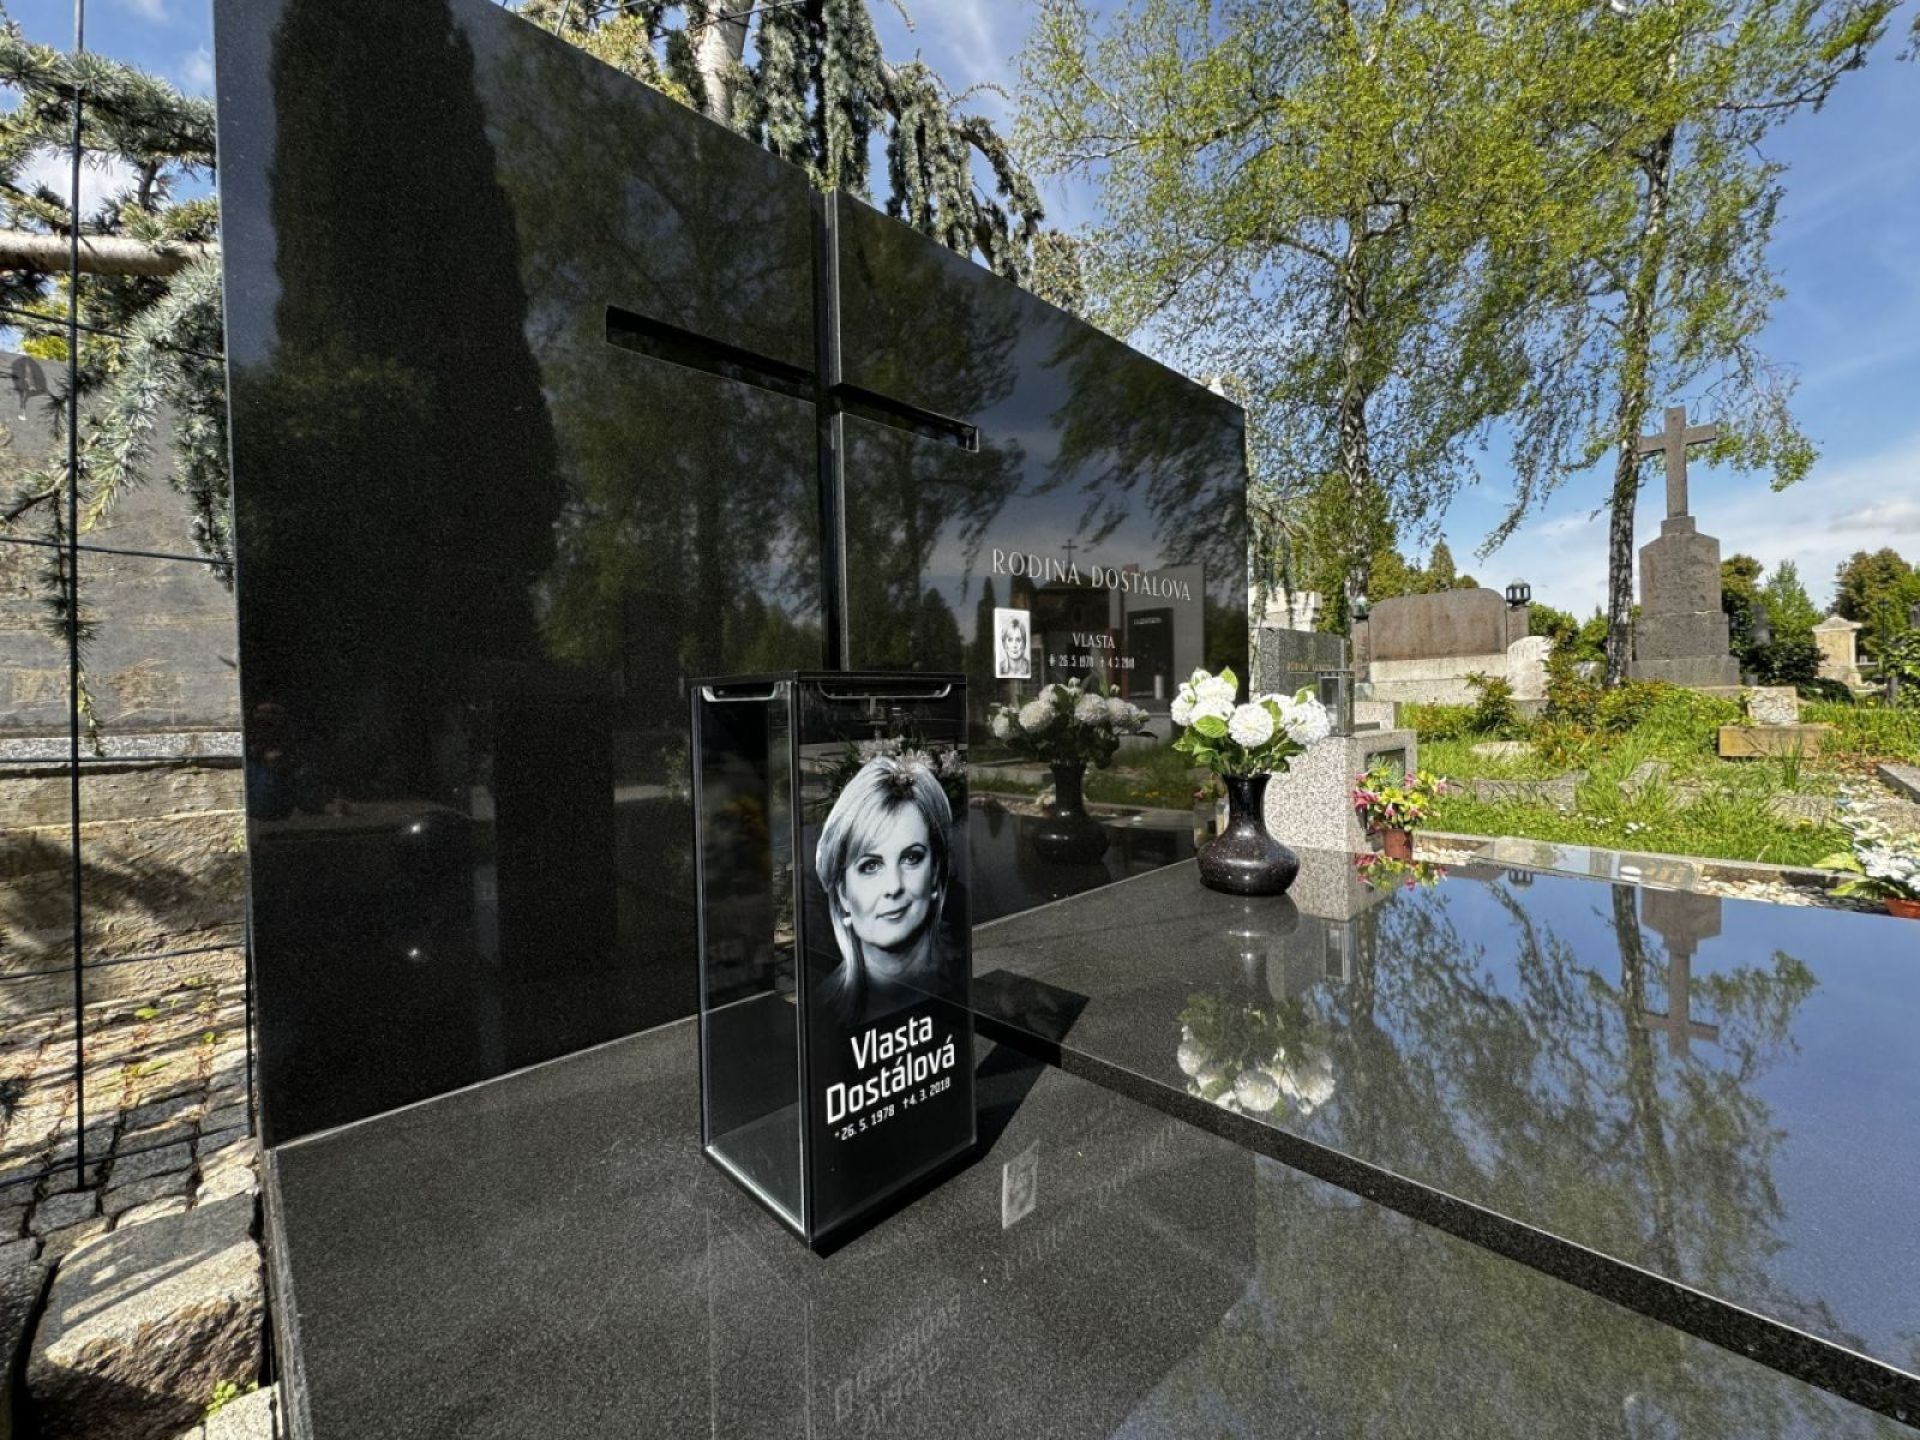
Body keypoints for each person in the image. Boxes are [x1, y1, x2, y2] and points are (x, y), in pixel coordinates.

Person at [814, 755, 956, 1024]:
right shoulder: (819, 1014)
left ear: (935, 872)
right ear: (843, 894)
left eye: (911, 858)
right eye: (870, 866)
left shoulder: (964, 985)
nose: (894, 886)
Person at [995, 609, 1031, 679]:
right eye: (1010, 640)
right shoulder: (999, 668)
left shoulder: (1030, 667)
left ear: (1024, 644)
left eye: (1018, 640)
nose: (1014, 645)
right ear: (1005, 644)